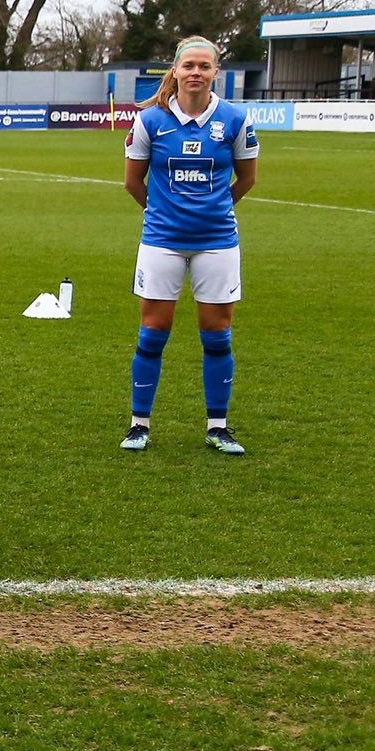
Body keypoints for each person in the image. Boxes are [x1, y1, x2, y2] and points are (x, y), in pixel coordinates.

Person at [121, 36, 260, 455]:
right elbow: (132, 182)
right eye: (189, 66)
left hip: (217, 242)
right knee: (152, 333)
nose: (195, 73)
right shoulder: (150, 121)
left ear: (216, 72)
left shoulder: (235, 120)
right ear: (176, 71)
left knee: (217, 335)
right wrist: (162, 213)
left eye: (204, 66)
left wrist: (215, 210)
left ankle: (218, 426)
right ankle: (138, 425)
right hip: (162, 241)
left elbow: (248, 178)